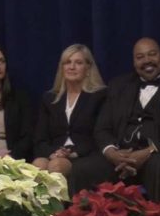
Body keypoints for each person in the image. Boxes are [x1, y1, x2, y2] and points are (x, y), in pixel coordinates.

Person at [76, 37, 160, 203]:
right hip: (122, 155)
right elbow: (102, 128)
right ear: (134, 62)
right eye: (140, 57)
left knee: (159, 166)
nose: (147, 60)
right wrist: (112, 153)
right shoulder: (118, 86)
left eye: (152, 54)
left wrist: (148, 151)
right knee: (82, 168)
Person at [32, 44, 107, 194]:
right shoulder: (50, 99)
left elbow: (101, 134)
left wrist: (72, 153)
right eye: (67, 62)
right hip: (56, 153)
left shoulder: (99, 96)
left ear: (88, 68)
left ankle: (59, 210)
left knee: (57, 166)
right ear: (62, 68)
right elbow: (40, 139)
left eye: (78, 63)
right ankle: (39, 209)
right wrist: (53, 153)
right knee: (38, 165)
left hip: (85, 154)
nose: (72, 67)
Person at [0, 43, 31, 160]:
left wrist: (11, 155)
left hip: (11, 161)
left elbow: (28, 136)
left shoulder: (19, 98)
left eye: (2, 61)